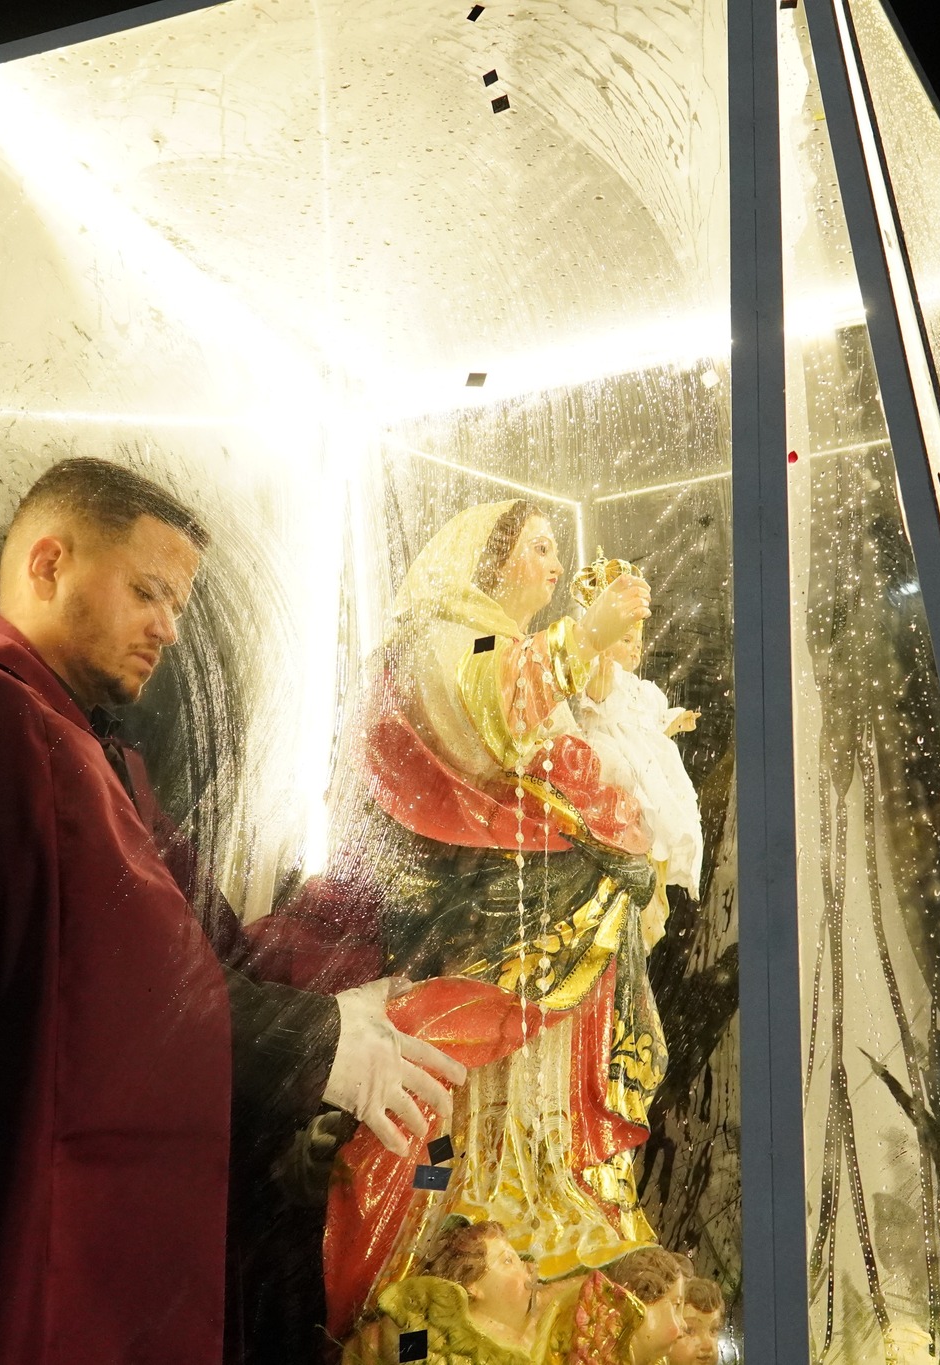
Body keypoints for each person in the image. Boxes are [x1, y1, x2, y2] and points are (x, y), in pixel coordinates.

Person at [0, 458, 463, 1364]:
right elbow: (103, 990)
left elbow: (208, 948)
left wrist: (362, 950)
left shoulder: (89, 751)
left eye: (178, 603)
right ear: (47, 563)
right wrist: (319, 1042)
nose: (169, 628)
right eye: (148, 591)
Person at [313, 499, 672, 1335]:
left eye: (554, 549)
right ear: (490, 559)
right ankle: (478, 1221)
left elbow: (558, 747)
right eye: (539, 547)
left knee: (554, 1070)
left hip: (560, 896)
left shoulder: (501, 642)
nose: (554, 565)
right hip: (499, 905)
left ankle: (548, 1198)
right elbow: (494, 709)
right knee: (484, 1073)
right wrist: (584, 635)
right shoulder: (460, 635)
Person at [341, 1223, 693, 1365]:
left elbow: (562, 1295)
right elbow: (385, 1347)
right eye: (507, 1261)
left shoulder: (542, 1329)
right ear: (473, 1287)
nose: (528, 1269)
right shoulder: (438, 1333)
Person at [571, 554, 704, 900]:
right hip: (614, 758)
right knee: (638, 803)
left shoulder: (644, 690)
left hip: (647, 761)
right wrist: (600, 663)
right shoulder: (603, 674)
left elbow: (654, 727)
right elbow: (596, 697)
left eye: (639, 644)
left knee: (667, 805)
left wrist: (677, 722)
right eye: (626, 640)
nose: (635, 651)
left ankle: (656, 853)